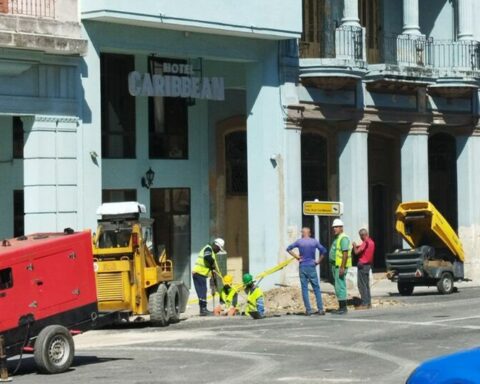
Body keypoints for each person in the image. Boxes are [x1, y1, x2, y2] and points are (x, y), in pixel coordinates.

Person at [287, 227, 327, 316]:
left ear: (302, 233)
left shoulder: (299, 242)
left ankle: (308, 310)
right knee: (316, 288)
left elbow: (288, 249)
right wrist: (318, 261)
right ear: (309, 233)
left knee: (304, 289)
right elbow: (324, 251)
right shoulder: (314, 241)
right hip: (312, 266)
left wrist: (297, 257)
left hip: (303, 266)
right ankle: (320, 309)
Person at [192, 238, 225, 316]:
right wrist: (212, 263)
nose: (218, 251)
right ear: (216, 245)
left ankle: (203, 309)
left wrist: (212, 268)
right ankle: (203, 310)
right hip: (199, 273)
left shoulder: (210, 250)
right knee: (202, 291)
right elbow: (207, 257)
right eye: (218, 249)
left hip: (200, 273)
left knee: (201, 291)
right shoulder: (208, 248)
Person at [329, 219, 352, 315]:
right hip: (336, 266)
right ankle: (341, 306)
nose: (334, 229)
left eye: (336, 227)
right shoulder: (338, 238)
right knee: (338, 286)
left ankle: (343, 308)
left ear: (341, 228)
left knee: (340, 286)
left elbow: (345, 253)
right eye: (334, 227)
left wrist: (342, 267)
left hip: (340, 266)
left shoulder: (343, 238)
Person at [353, 229, 375, 310]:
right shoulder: (371, 242)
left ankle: (364, 303)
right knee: (366, 285)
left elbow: (356, 252)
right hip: (368, 265)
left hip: (363, 265)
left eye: (360, 236)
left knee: (361, 285)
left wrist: (354, 245)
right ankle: (368, 303)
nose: (360, 238)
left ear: (363, 235)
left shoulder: (365, 242)